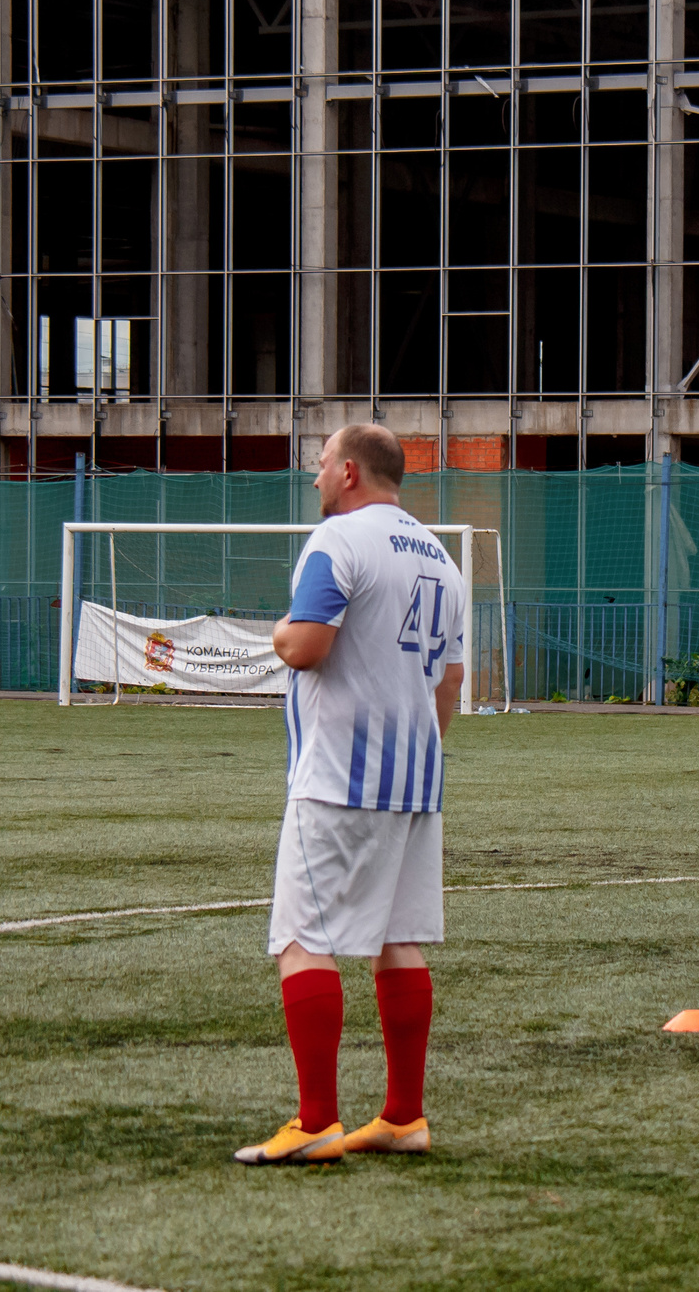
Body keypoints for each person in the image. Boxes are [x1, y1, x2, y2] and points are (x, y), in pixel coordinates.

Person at [236, 424, 466, 1166]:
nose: (313, 481)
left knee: (302, 938)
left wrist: (274, 631)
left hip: (337, 777)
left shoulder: (337, 541)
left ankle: (316, 1122)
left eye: (320, 467)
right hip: (417, 782)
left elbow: (306, 644)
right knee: (397, 939)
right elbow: (451, 683)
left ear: (347, 472)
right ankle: (403, 1115)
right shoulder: (443, 559)